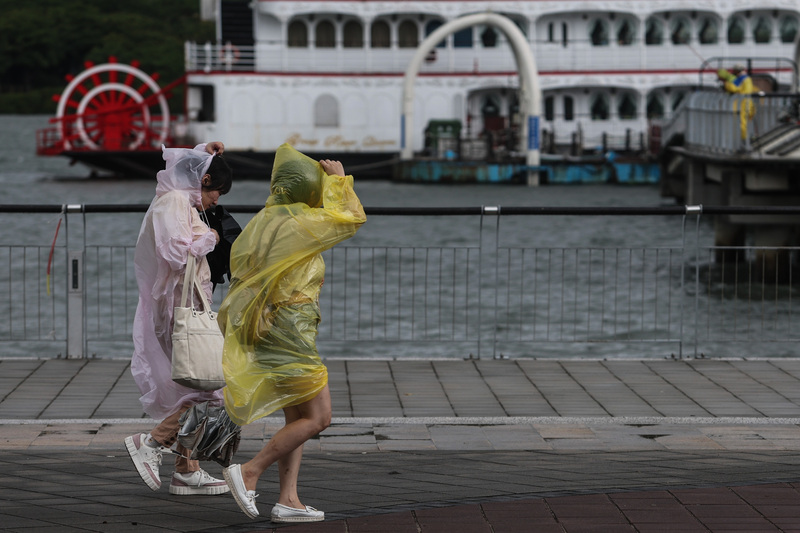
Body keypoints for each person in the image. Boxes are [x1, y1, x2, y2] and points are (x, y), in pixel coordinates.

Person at [217, 143, 366, 522]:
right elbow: (350, 218)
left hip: (267, 328)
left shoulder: (265, 221)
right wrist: (339, 181)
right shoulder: (299, 224)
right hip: (289, 332)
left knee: (296, 416)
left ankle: (288, 499)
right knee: (319, 418)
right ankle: (250, 471)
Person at [125, 141, 234, 496]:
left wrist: (207, 150)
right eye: (217, 190)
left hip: (187, 305)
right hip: (179, 309)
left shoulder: (179, 197)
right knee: (207, 390)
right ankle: (151, 442)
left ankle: (187, 468)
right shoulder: (173, 202)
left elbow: (187, 163)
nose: (217, 199)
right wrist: (212, 236)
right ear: (203, 181)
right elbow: (175, 251)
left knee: (197, 386)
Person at [718, 63, 757, 142]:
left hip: (742, 102)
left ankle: (744, 139)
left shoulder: (741, 79)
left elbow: (734, 88)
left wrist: (726, 84)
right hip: (750, 102)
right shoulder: (747, 78)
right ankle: (751, 136)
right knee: (749, 120)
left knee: (742, 121)